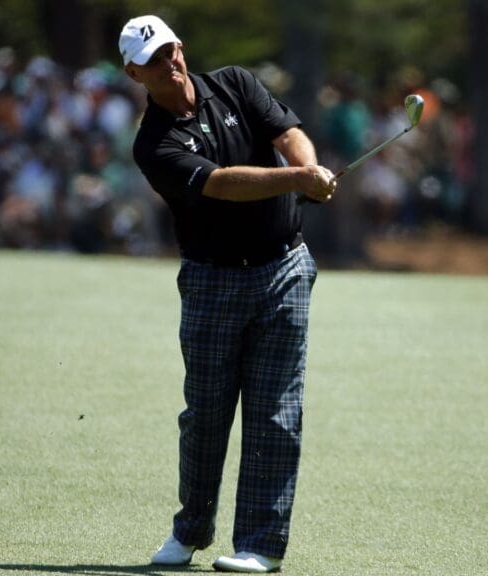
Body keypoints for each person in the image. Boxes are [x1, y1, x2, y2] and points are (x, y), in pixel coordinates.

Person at [118, 15, 336, 574]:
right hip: (214, 281)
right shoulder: (155, 144)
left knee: (276, 415)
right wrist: (297, 181)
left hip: (284, 268)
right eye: (153, 60)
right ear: (134, 72)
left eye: (170, 50)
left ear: (180, 48)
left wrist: (306, 165)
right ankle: (189, 532)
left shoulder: (235, 82)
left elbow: (286, 131)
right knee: (207, 415)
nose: (168, 63)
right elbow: (221, 184)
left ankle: (260, 546)